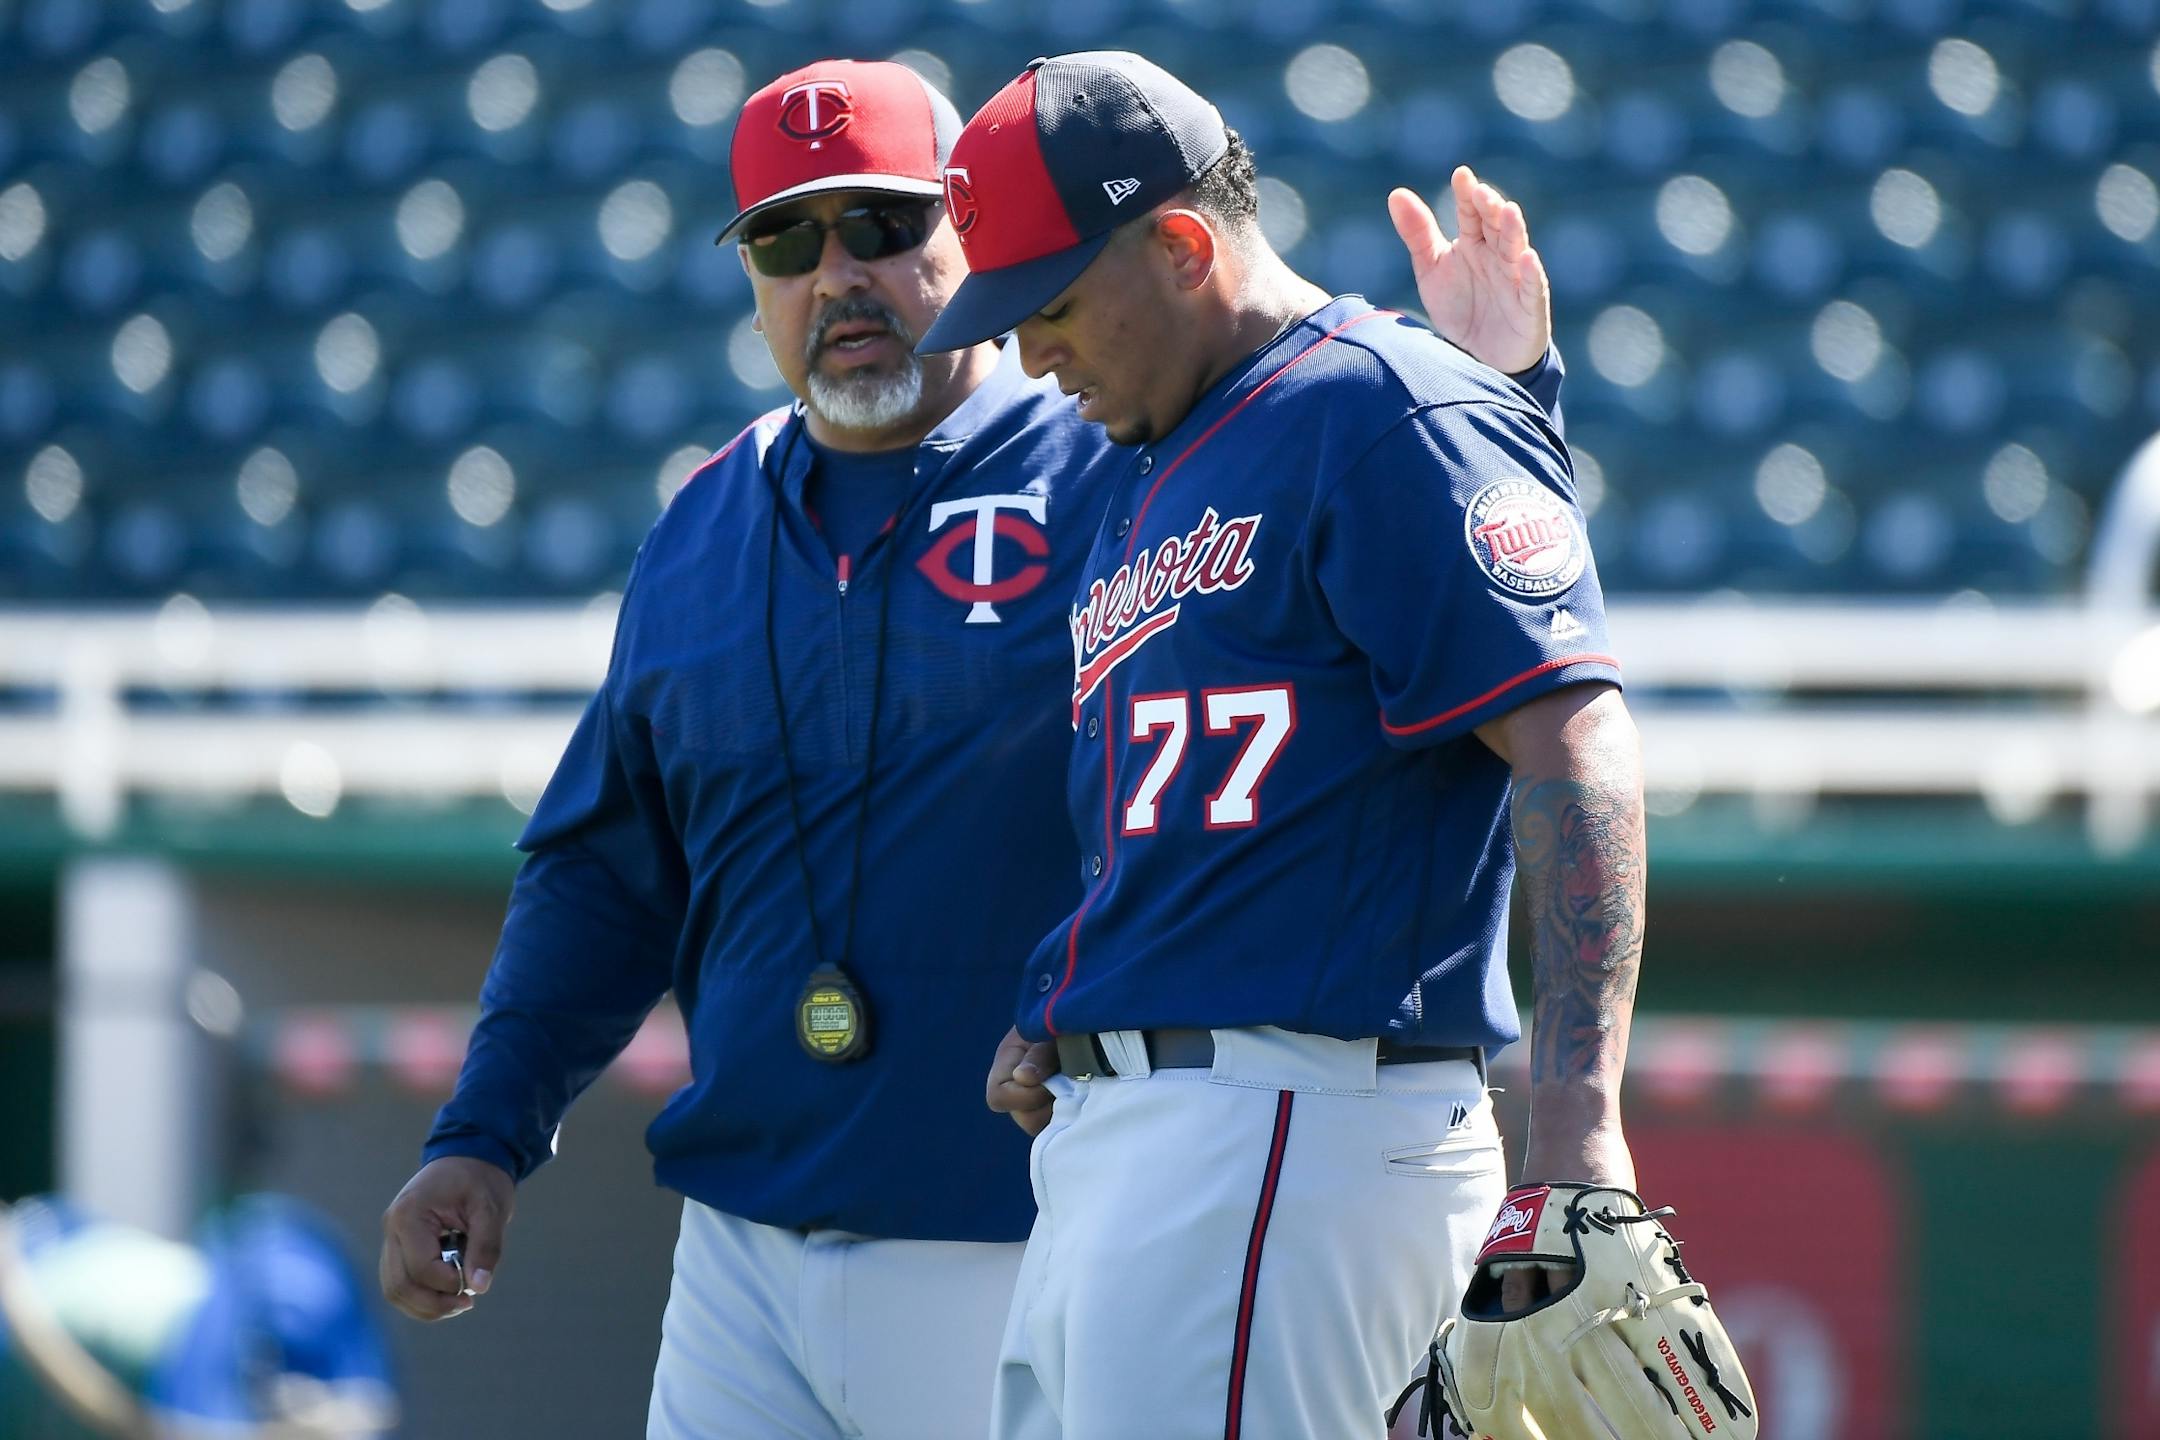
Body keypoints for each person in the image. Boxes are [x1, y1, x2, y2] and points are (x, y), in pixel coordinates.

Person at [376, 57, 1564, 1440]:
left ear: (969, 227)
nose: (836, 275)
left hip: (1033, 1220)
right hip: (741, 1247)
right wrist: (483, 1132)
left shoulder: (1130, 448)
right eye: (784, 238)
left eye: (880, 225)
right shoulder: (700, 524)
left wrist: (1520, 400)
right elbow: (602, 873)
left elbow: (1442, 586)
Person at [917, 52, 1644, 1440]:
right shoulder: (1163, 456)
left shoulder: (1378, 406)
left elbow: (1573, 741)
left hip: (1281, 1141)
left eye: (1052, 304)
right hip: (1154, 1150)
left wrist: (1578, 1137)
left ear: (1183, 244)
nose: (1027, 354)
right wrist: (1074, 1004)